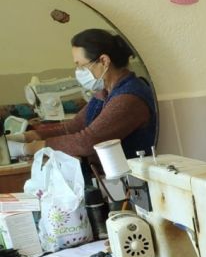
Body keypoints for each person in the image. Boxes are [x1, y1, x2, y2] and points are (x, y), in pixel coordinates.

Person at [7, 29, 157, 167]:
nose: (78, 71)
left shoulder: (129, 98)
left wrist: (28, 148)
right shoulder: (105, 92)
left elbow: (87, 141)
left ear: (104, 61)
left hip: (131, 177)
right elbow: (72, 128)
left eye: (81, 66)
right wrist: (26, 137)